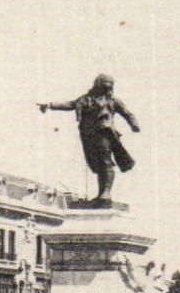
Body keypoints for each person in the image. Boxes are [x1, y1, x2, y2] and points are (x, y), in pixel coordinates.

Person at [38, 74, 141, 204]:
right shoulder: (85, 99)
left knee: (105, 161)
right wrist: (49, 105)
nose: (106, 87)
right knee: (96, 163)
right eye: (103, 84)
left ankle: (106, 192)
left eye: (108, 85)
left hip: (104, 132)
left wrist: (134, 124)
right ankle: (101, 194)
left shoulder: (112, 100)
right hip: (88, 134)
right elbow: (71, 104)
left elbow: (127, 113)